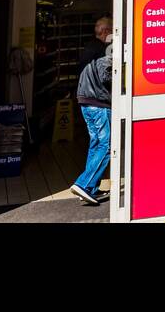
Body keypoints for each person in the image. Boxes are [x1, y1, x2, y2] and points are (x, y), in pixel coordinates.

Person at [70, 27, 112, 205]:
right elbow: (105, 75)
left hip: (85, 101)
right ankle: (84, 184)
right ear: (107, 31)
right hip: (98, 103)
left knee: (96, 144)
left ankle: (91, 187)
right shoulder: (104, 50)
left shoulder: (88, 49)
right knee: (107, 145)